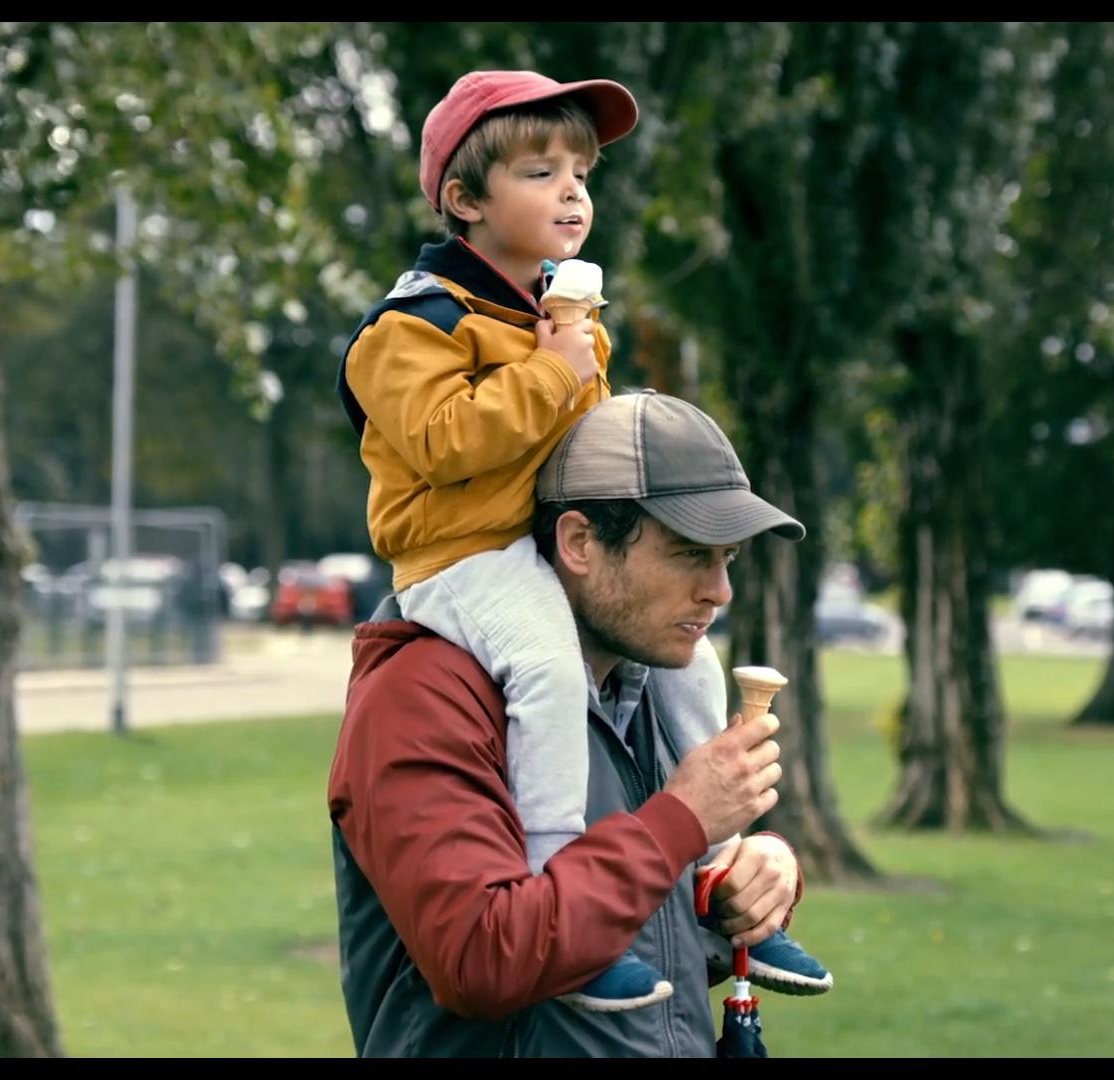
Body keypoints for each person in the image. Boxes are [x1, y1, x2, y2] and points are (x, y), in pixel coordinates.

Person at [333, 70, 830, 1011]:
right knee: (549, 675)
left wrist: (743, 862)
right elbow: (444, 443)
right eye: (540, 170)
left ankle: (723, 885)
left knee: (697, 673)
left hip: (529, 558)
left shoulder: (561, 320)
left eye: (583, 173)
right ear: (465, 200)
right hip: (462, 560)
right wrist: (558, 371)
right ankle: (549, 856)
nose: (573, 191)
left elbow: (593, 461)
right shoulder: (410, 327)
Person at [327, 391, 828, 1056]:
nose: (719, 590)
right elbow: (482, 959)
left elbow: (638, 951)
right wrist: (680, 821)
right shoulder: (422, 697)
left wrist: (746, 881)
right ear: (580, 542)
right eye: (688, 554)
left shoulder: (653, 686)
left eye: (727, 558)